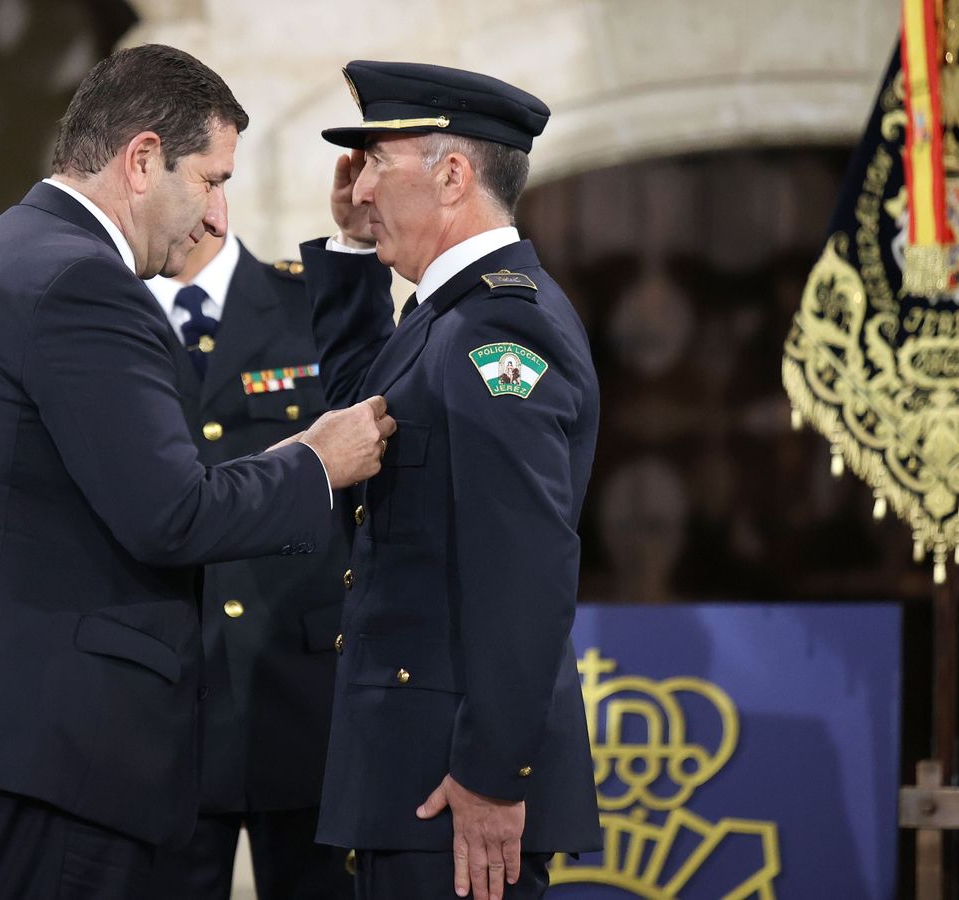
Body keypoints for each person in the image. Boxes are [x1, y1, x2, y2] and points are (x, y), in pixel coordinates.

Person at [0, 44, 395, 900]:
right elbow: (172, 512)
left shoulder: (10, 251)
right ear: (141, 160)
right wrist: (316, 463)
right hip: (32, 751)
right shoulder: (79, 281)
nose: (215, 218)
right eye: (210, 180)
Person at [301, 61, 604, 900]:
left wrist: (493, 775)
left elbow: (526, 569)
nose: (360, 188)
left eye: (376, 162)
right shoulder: (449, 316)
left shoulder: (497, 330)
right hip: (417, 772)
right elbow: (364, 420)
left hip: (456, 788)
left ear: (453, 176)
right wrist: (353, 252)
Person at [140, 231, 356, 899]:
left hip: (308, 695)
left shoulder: (310, 303)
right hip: (168, 706)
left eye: (213, 181)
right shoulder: (110, 318)